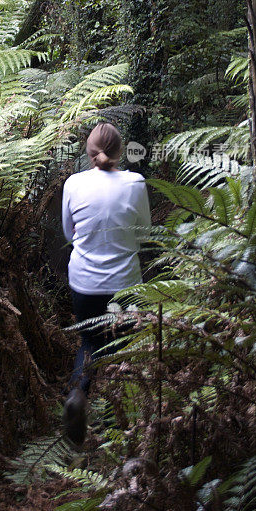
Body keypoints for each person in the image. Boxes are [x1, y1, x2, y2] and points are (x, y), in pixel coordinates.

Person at [61, 122, 151, 445]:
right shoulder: (135, 182)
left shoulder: (73, 183)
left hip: (84, 284)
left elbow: (69, 235)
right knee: (124, 349)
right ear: (120, 150)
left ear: (89, 152)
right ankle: (125, 429)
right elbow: (144, 234)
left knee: (89, 343)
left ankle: (77, 395)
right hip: (124, 286)